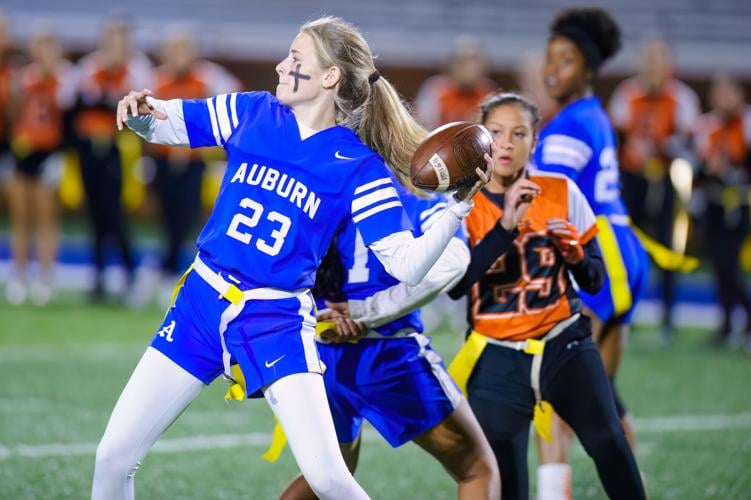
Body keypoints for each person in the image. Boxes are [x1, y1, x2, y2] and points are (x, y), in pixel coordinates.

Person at [92, 16, 490, 500]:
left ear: (329, 77)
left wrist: (456, 207)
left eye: (295, 59)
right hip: (200, 299)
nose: (281, 66)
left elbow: (406, 264)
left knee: (329, 479)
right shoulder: (255, 111)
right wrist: (138, 112)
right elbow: (169, 124)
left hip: (273, 316)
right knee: (112, 458)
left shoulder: (358, 165)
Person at [447, 91, 646, 500]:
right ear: (481, 138)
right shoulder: (461, 203)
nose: (505, 143)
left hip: (563, 342)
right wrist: (505, 227)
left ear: (534, 142)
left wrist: (574, 255)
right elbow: (456, 285)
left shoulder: (560, 190)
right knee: (508, 484)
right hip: (496, 354)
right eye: (496, 132)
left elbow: (593, 280)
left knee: (610, 444)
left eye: (518, 133)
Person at [279, 178, 499, 499]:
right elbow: (453, 263)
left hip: (319, 354)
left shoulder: (317, 179)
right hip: (386, 354)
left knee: (330, 475)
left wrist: (316, 313)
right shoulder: (407, 190)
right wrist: (367, 310)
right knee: (478, 468)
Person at [530, 8, 650, 498]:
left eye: (567, 60)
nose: (553, 69)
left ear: (588, 68)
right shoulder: (592, 115)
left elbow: (543, 199)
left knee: (553, 394)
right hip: (622, 249)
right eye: (550, 58)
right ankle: (634, 485)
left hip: (597, 255)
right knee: (603, 398)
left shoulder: (564, 130)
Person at [609, 38, 700, 341]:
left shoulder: (683, 98)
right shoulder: (627, 93)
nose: (652, 66)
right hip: (632, 178)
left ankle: (667, 318)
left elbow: (692, 146)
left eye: (658, 59)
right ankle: (623, 312)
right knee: (625, 246)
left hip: (666, 178)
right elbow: (614, 138)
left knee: (668, 247)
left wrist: (663, 149)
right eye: (648, 59)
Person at [147, 30, 241, 302]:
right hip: (162, 160)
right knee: (165, 217)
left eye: (183, 49)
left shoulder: (209, 77)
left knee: (185, 217)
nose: (178, 56)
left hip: (192, 161)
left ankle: (167, 271)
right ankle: (164, 268)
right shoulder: (156, 79)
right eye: (174, 50)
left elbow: (235, 103)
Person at [74, 18, 152, 301]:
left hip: (121, 147)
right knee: (95, 213)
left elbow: (138, 107)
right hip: (90, 147)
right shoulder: (90, 66)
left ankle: (130, 271)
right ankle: (98, 275)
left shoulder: (136, 67)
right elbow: (79, 104)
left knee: (114, 212)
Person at [5, 31, 76, 305]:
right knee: (20, 218)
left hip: (50, 153)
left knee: (46, 218)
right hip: (24, 150)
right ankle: (19, 275)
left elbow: (68, 113)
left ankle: (46, 277)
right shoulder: (24, 77)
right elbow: (14, 115)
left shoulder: (65, 78)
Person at [694, 74, 751, 350]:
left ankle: (744, 318)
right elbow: (697, 167)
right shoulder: (707, 125)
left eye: (730, 93)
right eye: (720, 93)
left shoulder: (747, 123)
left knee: (731, 265)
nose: (725, 99)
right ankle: (727, 322)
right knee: (719, 265)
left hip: (740, 202)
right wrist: (709, 168)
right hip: (715, 202)